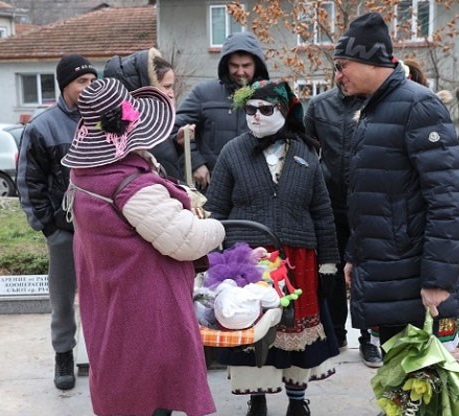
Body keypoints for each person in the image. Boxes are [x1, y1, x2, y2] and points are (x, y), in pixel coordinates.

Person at [61, 78, 225, 416]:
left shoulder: (85, 174)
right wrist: (217, 226)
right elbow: (187, 240)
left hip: (111, 298)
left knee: (125, 385)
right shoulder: (132, 185)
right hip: (145, 309)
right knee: (151, 393)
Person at [335, 13, 459, 352]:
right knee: (399, 379)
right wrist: (355, 256)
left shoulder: (419, 106)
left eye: (342, 66)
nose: (338, 76)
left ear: (369, 61)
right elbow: (370, 196)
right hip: (387, 270)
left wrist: (438, 280)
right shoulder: (373, 110)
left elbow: (448, 201)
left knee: (425, 386)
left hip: (414, 276)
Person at [205, 79, 339, 416]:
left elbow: (322, 211)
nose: (257, 116)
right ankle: (258, 398)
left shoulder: (307, 152)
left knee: (296, 331)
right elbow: (216, 211)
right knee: (253, 331)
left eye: (266, 109)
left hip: (300, 259)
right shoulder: (232, 152)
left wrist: (329, 262)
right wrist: (213, 262)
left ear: (285, 110)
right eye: (250, 110)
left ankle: (297, 401)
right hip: (249, 261)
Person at [16, 53, 97, 391]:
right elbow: (27, 182)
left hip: (100, 230)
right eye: (82, 82)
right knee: (63, 300)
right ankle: (63, 353)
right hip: (63, 231)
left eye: (93, 81)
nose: (89, 87)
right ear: (65, 85)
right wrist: (47, 225)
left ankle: (99, 356)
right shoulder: (42, 126)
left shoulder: (103, 120)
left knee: (100, 297)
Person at [303, 80, 385, 368]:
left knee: (367, 270)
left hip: (370, 201)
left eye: (346, 67)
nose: (342, 75)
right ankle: (336, 333)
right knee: (332, 269)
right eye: (337, 67)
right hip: (330, 202)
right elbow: (307, 152)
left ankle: (368, 338)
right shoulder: (319, 105)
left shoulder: (378, 102)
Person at [174, 31, 269, 190]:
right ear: (226, 64)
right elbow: (175, 129)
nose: (240, 72)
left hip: (258, 191)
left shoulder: (273, 96)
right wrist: (195, 163)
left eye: (246, 66)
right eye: (234, 65)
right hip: (213, 190)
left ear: (257, 65)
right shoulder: (204, 94)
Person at [103, 47, 181, 179]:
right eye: (166, 87)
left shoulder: (153, 124)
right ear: (147, 88)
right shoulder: (141, 134)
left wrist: (177, 145)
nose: (172, 93)